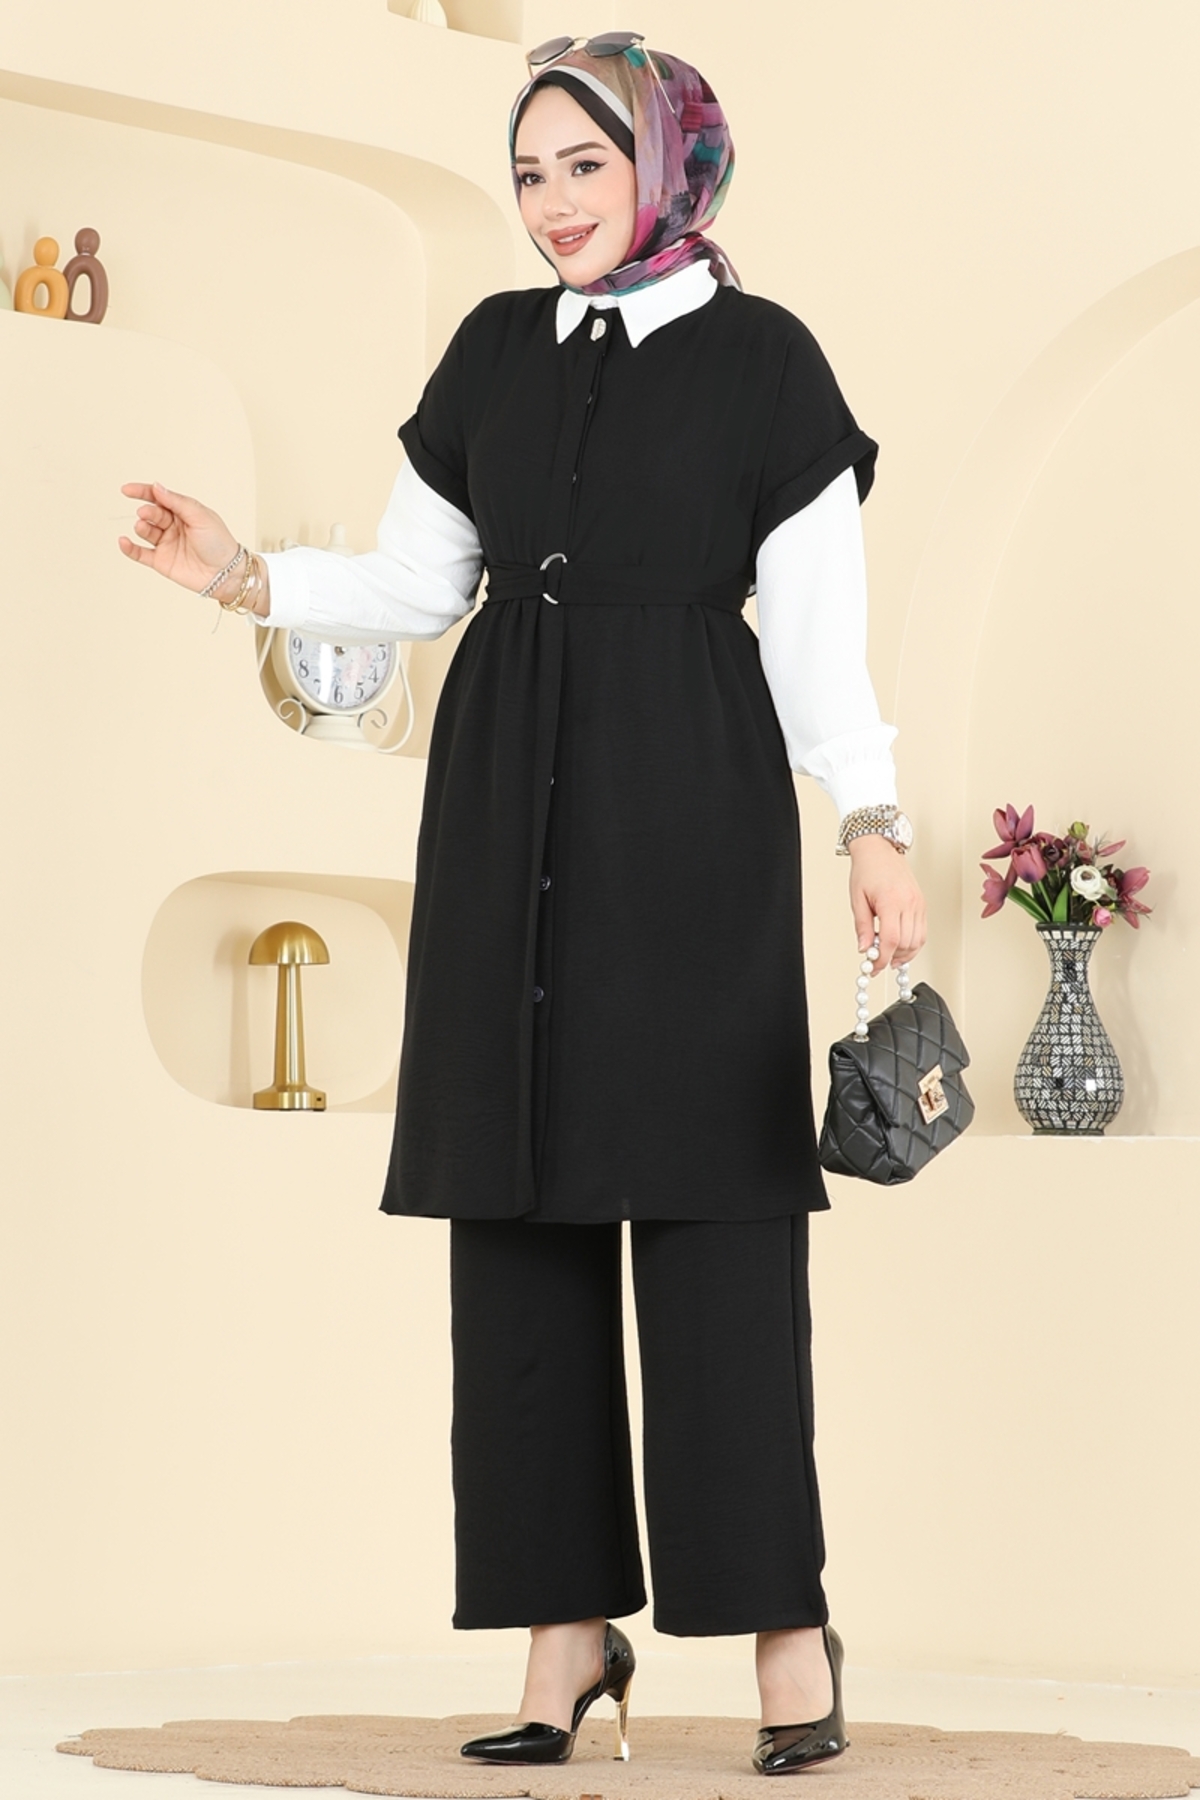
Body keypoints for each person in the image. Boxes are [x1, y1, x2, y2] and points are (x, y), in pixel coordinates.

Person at [119, 31, 926, 1777]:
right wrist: (241, 574)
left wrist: (872, 825)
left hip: (690, 814)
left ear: (668, 166)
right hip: (504, 815)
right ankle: (566, 1630)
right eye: (530, 171)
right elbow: (419, 586)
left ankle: (785, 1630)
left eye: (584, 165)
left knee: (716, 1216)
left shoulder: (768, 363)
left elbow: (818, 638)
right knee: (519, 1212)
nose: (552, 201)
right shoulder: (492, 347)